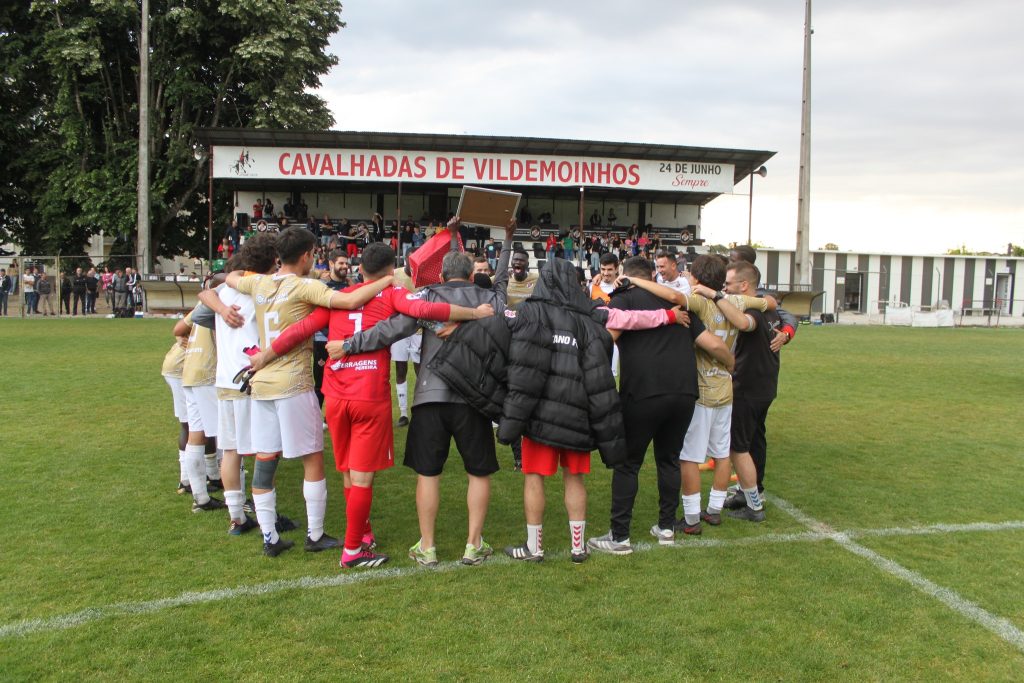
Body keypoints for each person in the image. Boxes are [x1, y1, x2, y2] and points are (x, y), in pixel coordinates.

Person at [255, 240, 498, 569]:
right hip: (369, 393)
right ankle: (355, 547)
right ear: (389, 269)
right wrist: (473, 315)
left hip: (336, 394)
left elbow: (300, 330)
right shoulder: (393, 294)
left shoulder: (338, 298)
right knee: (363, 477)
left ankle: (366, 534)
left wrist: (263, 357)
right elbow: (425, 311)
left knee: (348, 471)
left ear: (360, 268)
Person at [332, 221, 514, 567]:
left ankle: (427, 547)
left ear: (441, 274)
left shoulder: (428, 296)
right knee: (478, 472)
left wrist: (351, 344)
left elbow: (391, 330)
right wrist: (506, 238)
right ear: (471, 272)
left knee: (428, 473)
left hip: (430, 395)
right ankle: (473, 545)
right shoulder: (491, 296)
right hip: (473, 398)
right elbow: (502, 277)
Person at [223, 226, 394, 557]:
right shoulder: (306, 285)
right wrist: (388, 279)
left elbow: (229, 277)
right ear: (305, 256)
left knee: (264, 457)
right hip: (294, 382)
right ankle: (315, 534)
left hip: (261, 384)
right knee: (312, 457)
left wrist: (214, 295)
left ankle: (269, 536)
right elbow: (350, 299)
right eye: (313, 254)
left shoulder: (256, 282)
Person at [587, 256, 733, 554]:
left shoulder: (623, 299)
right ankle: (666, 528)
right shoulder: (677, 302)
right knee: (669, 459)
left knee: (628, 464)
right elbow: (713, 345)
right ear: (652, 275)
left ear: (624, 276)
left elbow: (606, 339)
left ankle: (619, 537)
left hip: (643, 392)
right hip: (683, 393)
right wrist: (733, 367)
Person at [622, 255, 773, 531]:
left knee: (689, 456)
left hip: (702, 388)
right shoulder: (735, 301)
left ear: (696, 278)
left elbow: (671, 295)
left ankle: (691, 518)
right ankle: (714, 509)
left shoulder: (700, 302)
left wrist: (635, 280)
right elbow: (770, 303)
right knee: (722, 453)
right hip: (726, 388)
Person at [171, 289, 226, 514]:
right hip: (208, 373)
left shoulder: (201, 308)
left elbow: (177, 329)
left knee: (197, 432)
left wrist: (181, 338)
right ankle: (238, 500)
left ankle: (200, 497)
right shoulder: (223, 303)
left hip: (191, 370)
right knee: (227, 436)